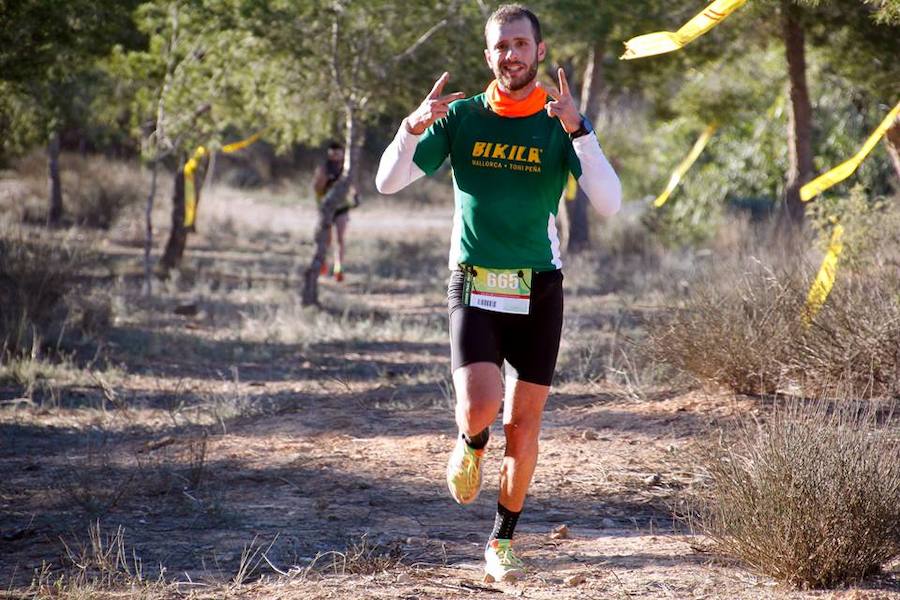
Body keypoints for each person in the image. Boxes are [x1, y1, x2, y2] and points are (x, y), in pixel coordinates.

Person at [375, 3, 621, 583]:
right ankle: (469, 439)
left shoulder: (560, 124)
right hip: (475, 280)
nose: (510, 54)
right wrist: (411, 127)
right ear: (488, 57)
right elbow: (388, 183)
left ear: (539, 51)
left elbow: (608, 203)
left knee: (525, 426)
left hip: (539, 287)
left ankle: (501, 542)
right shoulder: (462, 117)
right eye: (499, 46)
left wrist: (580, 130)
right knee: (481, 405)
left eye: (519, 43)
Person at [313, 141, 357, 282]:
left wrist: (356, 196)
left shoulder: (346, 168)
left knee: (340, 238)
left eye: (338, 153)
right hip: (327, 207)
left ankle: (339, 268)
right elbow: (317, 187)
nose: (335, 155)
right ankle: (323, 264)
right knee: (326, 239)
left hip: (342, 207)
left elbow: (353, 184)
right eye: (333, 153)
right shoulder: (324, 168)